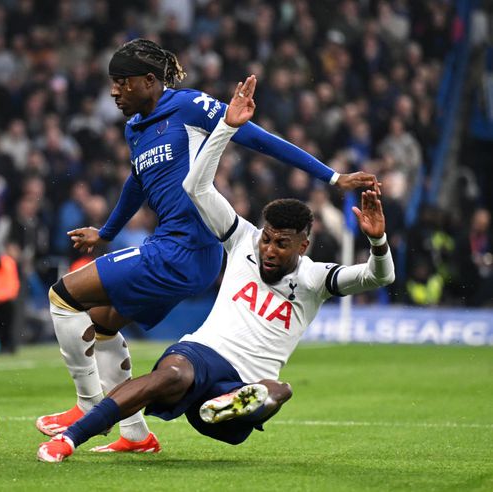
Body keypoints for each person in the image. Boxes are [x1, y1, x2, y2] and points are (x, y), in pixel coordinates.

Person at [38, 38, 377, 453]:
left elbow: (259, 139)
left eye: (123, 83)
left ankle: (88, 405)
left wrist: (331, 178)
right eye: (112, 84)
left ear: (149, 81)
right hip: (176, 250)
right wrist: (106, 233)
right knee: (104, 323)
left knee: (63, 295)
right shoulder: (134, 129)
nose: (114, 92)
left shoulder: (189, 106)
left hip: (186, 247)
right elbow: (136, 181)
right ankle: (136, 436)